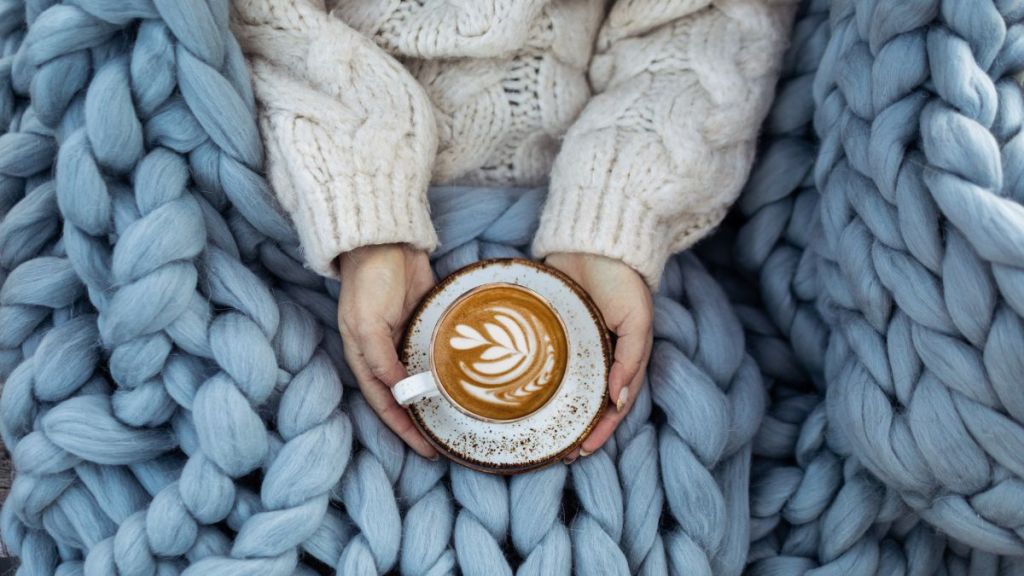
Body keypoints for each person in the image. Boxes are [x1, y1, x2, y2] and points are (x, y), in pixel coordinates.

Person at [231, 0, 796, 461]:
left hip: (589, 225)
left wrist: (616, 210)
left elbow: (704, 25)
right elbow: (266, 21)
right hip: (320, 202)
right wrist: (362, 209)